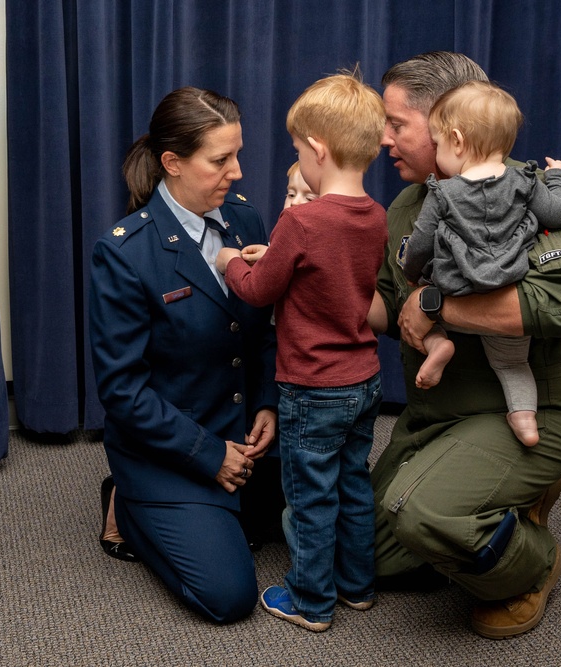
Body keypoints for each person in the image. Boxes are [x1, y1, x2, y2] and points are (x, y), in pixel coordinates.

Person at [368, 51, 561, 639]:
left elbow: (554, 302)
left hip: (527, 411)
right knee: (362, 554)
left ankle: (534, 563)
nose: (383, 138)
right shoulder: (407, 208)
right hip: (435, 418)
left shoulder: (540, 194)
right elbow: (390, 311)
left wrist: (435, 303)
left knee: (422, 513)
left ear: (451, 127)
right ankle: (483, 506)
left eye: (397, 124)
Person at [88, 87, 278, 623]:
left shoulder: (246, 220)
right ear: (172, 163)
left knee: (341, 526)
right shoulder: (125, 253)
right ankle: (127, 503)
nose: (237, 172)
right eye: (220, 160)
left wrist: (265, 405)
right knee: (229, 597)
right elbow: (123, 392)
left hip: (245, 432)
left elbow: (264, 331)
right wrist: (208, 453)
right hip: (175, 445)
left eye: (237, 154)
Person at [216, 71, 388, 632]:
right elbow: (330, 278)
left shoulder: (302, 218)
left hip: (313, 386)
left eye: (296, 150)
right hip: (364, 378)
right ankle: (358, 586)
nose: (298, 158)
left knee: (310, 497)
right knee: (353, 483)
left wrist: (231, 263)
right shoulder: (376, 216)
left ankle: (312, 601)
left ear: (317, 150)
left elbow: (260, 291)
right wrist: (277, 256)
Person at [400, 80, 561, 447]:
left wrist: (413, 276)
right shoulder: (524, 182)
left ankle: (438, 347)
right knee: (512, 365)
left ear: (458, 141)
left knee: (426, 313)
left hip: (455, 289)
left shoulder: (443, 193)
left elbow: (419, 245)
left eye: (440, 143)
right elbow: (558, 214)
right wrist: (559, 177)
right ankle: (525, 419)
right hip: (506, 288)